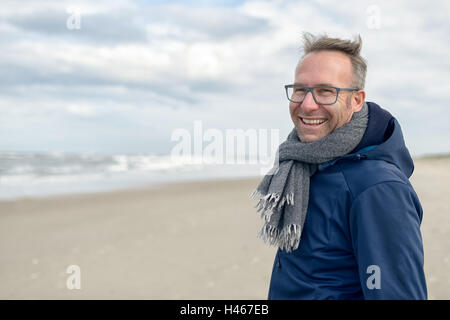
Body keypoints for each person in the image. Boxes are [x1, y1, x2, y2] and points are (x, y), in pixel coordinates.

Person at [251, 33, 427, 299]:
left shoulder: (377, 187)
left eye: (325, 91)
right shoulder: (308, 164)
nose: (307, 104)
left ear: (356, 100)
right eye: (300, 89)